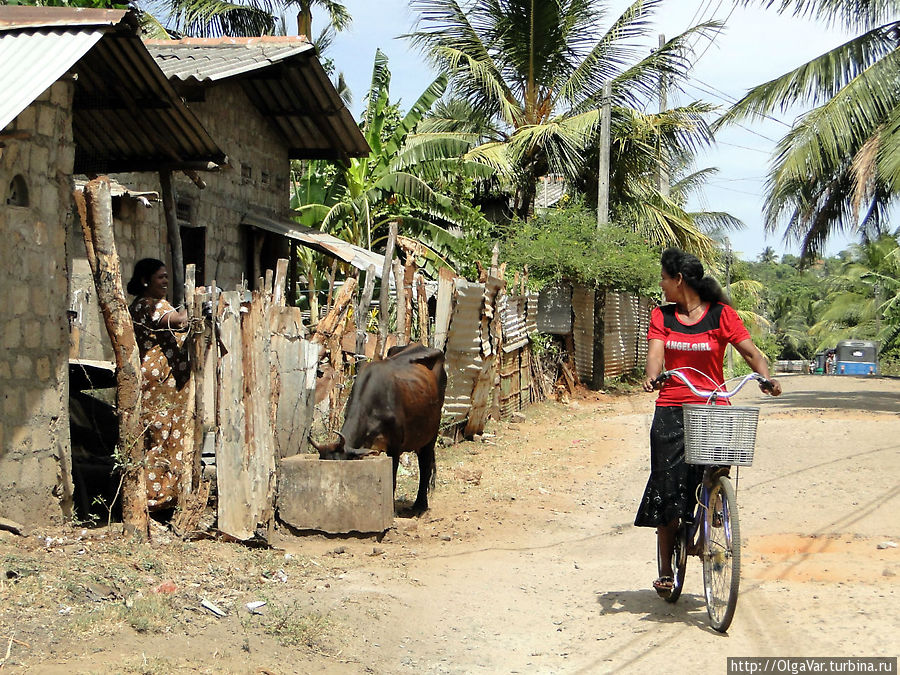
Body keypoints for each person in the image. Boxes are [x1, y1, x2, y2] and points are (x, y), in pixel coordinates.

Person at [635, 248, 782, 596]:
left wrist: (765, 377)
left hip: (712, 406)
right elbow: (656, 354)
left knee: (716, 467)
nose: (661, 283)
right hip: (672, 407)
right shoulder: (662, 316)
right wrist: (653, 377)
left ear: (678, 280)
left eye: (664, 278)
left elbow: (749, 351)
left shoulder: (721, 315)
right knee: (668, 487)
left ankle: (715, 504)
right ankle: (665, 568)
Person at [126, 258, 190, 512]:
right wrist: (198, 305)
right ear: (145, 280)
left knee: (172, 435)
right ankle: (154, 498)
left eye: (166, 277)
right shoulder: (147, 306)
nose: (165, 281)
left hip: (168, 381)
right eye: (160, 277)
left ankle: (168, 496)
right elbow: (177, 320)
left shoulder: (153, 304)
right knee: (159, 435)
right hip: (158, 382)